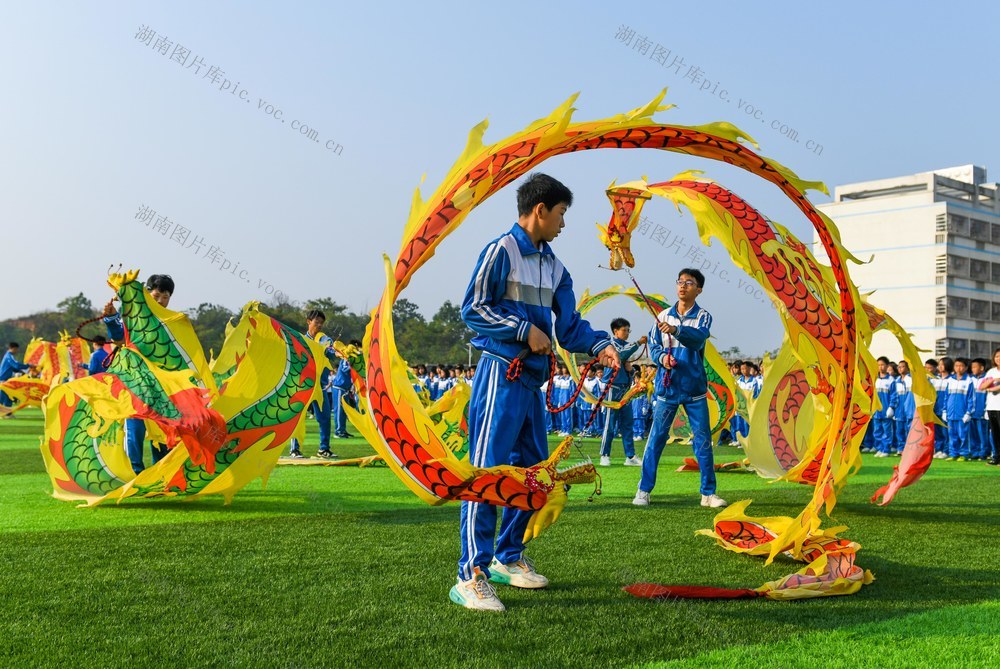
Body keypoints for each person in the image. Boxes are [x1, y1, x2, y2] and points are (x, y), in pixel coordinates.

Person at [452, 173, 619, 612]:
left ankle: (508, 556)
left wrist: (599, 345)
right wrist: (524, 330)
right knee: (487, 474)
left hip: (531, 384)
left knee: (536, 476)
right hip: (499, 377)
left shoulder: (555, 266)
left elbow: (569, 326)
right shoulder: (500, 251)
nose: (564, 224)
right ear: (540, 210)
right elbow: (473, 309)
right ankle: (470, 573)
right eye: (562, 214)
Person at [633, 268, 727, 509]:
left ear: (699, 289)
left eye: (689, 282)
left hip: (694, 390)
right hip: (667, 389)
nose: (683, 286)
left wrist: (676, 330)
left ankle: (708, 493)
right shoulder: (663, 315)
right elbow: (654, 346)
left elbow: (698, 339)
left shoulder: (704, 316)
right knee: (656, 440)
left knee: (703, 442)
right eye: (680, 282)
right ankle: (643, 490)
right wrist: (662, 358)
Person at [103, 274, 175, 474]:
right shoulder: (132, 317)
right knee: (135, 429)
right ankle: (134, 473)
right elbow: (120, 338)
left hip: (161, 387)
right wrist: (110, 318)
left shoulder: (172, 323)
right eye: (157, 295)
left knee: (161, 429)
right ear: (147, 293)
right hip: (133, 382)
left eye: (165, 297)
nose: (160, 300)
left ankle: (160, 473)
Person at [287, 310, 338, 459]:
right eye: (317, 322)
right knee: (297, 417)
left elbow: (330, 351)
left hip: (320, 386)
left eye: (322, 323)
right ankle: (294, 450)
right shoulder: (301, 340)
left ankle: (324, 449)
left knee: (325, 417)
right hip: (303, 385)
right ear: (308, 322)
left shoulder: (324, 339)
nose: (319, 325)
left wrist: (341, 352)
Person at [598, 318, 646, 467]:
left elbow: (626, 367)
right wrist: (638, 342)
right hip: (612, 388)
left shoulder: (626, 346)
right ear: (615, 331)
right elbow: (622, 354)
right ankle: (604, 454)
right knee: (610, 424)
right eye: (624, 330)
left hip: (625, 389)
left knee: (627, 424)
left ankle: (630, 456)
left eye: (628, 330)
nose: (626, 333)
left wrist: (630, 371)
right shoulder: (611, 346)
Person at [945, 357, 975, 461]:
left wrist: (968, 413)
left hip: (962, 413)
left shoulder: (969, 381)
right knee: (952, 435)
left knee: (963, 435)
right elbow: (946, 396)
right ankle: (953, 454)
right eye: (957, 365)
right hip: (950, 413)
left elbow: (972, 399)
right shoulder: (950, 380)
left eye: (961, 366)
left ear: (966, 368)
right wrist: (945, 410)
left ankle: (964, 454)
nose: (959, 368)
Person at [331, 340, 360, 439]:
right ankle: (338, 431)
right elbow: (344, 368)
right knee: (339, 411)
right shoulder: (346, 357)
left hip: (346, 388)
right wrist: (354, 366)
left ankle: (342, 430)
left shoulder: (351, 358)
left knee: (344, 411)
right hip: (339, 387)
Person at [872, 357, 897, 458]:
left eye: (882, 365)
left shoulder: (891, 380)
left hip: (886, 410)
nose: (880, 367)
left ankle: (886, 449)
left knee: (887, 431)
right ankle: (879, 448)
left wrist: (891, 407)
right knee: (877, 430)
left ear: (887, 366)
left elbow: (894, 395)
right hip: (876, 410)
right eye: (878, 365)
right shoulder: (874, 379)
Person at [979, 348, 1000, 465]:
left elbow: (992, 388)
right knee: (995, 433)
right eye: (997, 356)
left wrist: (991, 387)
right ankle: (996, 457)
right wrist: (996, 379)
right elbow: (982, 386)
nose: (999, 359)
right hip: (992, 406)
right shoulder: (991, 372)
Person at [0, 342, 35, 407]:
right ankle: (7, 414)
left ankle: (7, 414)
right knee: (3, 397)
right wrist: (28, 365)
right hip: (3, 380)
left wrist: (22, 372)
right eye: (16, 349)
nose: (17, 351)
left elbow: (13, 368)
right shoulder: (9, 356)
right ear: (13, 348)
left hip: (5, 380)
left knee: (9, 396)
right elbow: (16, 365)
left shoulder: (8, 356)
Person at [932, 357, 953, 458]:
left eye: (942, 364)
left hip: (945, 409)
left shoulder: (951, 379)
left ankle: (946, 450)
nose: (940, 366)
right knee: (938, 431)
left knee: (946, 431)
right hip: (935, 408)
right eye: (939, 364)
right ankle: (939, 449)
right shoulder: (935, 379)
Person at [892, 360, 914, 456]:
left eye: (903, 366)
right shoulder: (896, 381)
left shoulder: (911, 379)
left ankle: (910, 449)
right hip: (899, 409)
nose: (900, 368)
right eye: (899, 366)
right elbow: (893, 395)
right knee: (899, 430)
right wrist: (892, 408)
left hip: (909, 408)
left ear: (908, 368)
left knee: (909, 430)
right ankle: (901, 448)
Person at [969, 358, 989, 460]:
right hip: (972, 412)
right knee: (973, 434)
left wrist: (985, 410)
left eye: (975, 367)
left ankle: (984, 452)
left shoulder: (987, 379)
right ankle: (974, 452)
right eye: (972, 367)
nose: (972, 369)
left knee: (982, 433)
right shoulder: (970, 379)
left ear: (981, 368)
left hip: (981, 411)